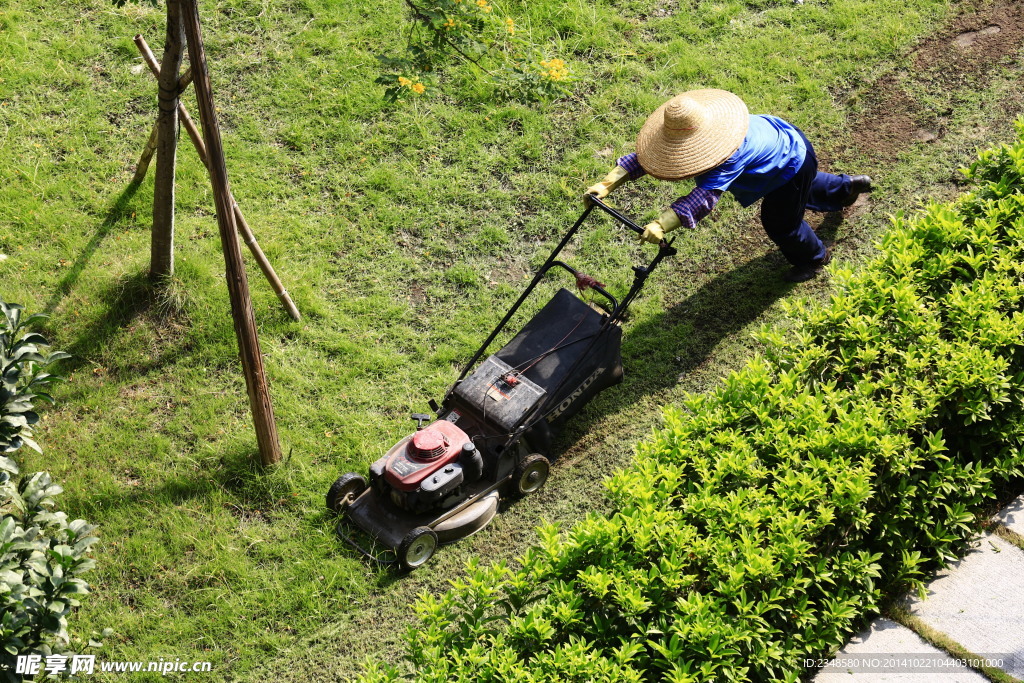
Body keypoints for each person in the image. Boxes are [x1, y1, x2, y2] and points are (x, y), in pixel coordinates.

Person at [585, 89, 872, 282]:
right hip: (784, 142)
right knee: (798, 187)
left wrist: (661, 224)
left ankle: (813, 258)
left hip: (790, 161)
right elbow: (647, 158)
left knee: (780, 220)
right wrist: (606, 185)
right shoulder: (713, 124)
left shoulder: (726, 157)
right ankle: (846, 188)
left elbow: (702, 200)